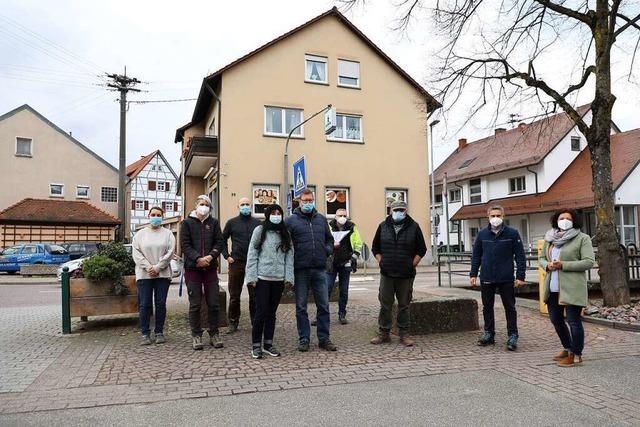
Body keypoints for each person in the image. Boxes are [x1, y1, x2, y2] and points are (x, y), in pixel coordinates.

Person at [539, 208, 594, 367]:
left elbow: (589, 262)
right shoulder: (550, 238)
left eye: (568, 218)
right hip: (553, 287)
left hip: (573, 287)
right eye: (561, 218)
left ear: (574, 221)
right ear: (556, 220)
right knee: (556, 320)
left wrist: (563, 265)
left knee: (573, 321)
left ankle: (576, 355)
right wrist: (547, 265)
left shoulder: (582, 238)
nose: (564, 220)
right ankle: (567, 347)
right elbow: (542, 258)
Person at [286, 188, 337, 352]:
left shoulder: (322, 219)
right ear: (299, 202)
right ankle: (304, 339)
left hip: (320, 269)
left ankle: (324, 338)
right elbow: (285, 244)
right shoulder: (291, 221)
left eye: (310, 200)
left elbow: (329, 239)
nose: (308, 203)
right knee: (301, 307)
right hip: (300, 270)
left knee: (323, 305)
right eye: (305, 201)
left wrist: (327, 250)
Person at [370, 200, 427, 346]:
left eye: (401, 210)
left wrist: (411, 264)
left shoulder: (414, 227)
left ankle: (404, 334)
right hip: (387, 273)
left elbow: (422, 249)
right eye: (395, 210)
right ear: (390, 210)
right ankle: (384, 333)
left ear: (406, 211)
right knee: (385, 304)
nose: (398, 212)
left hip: (406, 275)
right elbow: (375, 247)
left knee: (404, 305)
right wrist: (381, 261)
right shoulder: (383, 226)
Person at [470, 205, 526, 351]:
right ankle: (489, 333)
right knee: (487, 307)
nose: (496, 218)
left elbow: (520, 256)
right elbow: (476, 256)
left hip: (506, 277)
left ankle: (512, 335)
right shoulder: (482, 234)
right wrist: (473, 274)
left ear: (503, 216)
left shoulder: (512, 234)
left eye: (498, 215)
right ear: (488, 216)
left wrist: (520, 276)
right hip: (487, 276)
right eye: (493, 215)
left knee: (510, 307)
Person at [244, 204, 294, 359]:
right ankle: (256, 345)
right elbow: (252, 254)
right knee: (261, 312)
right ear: (267, 215)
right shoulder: (259, 231)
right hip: (262, 278)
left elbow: (289, 256)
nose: (276, 215)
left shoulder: (285, 233)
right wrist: (251, 277)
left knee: (272, 313)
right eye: (273, 213)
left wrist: (289, 276)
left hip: (278, 279)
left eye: (279, 213)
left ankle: (268, 344)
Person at [180, 195, 225, 351]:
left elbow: (220, 242)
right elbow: (185, 245)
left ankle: (214, 333)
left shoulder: (214, 223)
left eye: (206, 204)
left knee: (214, 303)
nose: (204, 207)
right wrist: (198, 258)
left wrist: (211, 256)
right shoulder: (186, 223)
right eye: (201, 204)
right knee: (195, 304)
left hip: (210, 269)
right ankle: (196, 335)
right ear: (196, 205)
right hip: (193, 269)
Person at [132, 206, 176, 345]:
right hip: (144, 275)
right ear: (148, 215)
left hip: (162, 274)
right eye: (153, 214)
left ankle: (159, 332)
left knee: (160, 304)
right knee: (144, 304)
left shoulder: (168, 234)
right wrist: (148, 267)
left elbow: (170, 252)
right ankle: (145, 333)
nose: (155, 217)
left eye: (158, 215)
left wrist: (158, 267)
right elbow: (136, 253)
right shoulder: (140, 234)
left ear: (162, 216)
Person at [222, 197, 262, 333]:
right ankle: (233, 322)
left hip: (253, 263)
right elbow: (222, 239)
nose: (245, 206)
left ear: (251, 206)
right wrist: (227, 256)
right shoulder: (232, 223)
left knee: (255, 296)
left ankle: (255, 322)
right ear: (238, 207)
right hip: (236, 263)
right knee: (234, 296)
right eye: (242, 204)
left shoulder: (258, 223)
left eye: (247, 204)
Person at [326, 208, 363, 325]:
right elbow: (323, 242)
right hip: (332, 262)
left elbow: (358, 244)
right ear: (335, 216)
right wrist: (332, 245)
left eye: (344, 215)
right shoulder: (329, 227)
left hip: (346, 262)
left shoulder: (352, 227)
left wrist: (354, 257)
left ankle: (342, 314)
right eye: (340, 215)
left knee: (344, 291)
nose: (342, 217)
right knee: (326, 289)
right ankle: (321, 315)